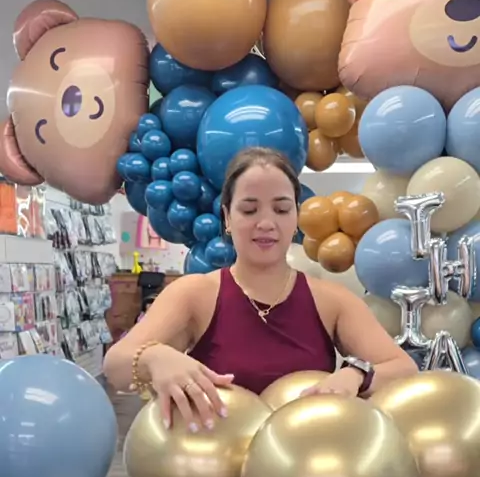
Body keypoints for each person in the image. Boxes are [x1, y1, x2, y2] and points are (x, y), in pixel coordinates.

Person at [104, 147, 417, 430]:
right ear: (227, 218)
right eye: (249, 210)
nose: (266, 223)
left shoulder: (331, 300)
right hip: (215, 468)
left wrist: (357, 374)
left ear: (296, 218)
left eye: (281, 210)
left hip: (306, 465)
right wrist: (155, 357)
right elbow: (115, 365)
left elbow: (403, 368)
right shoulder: (194, 294)